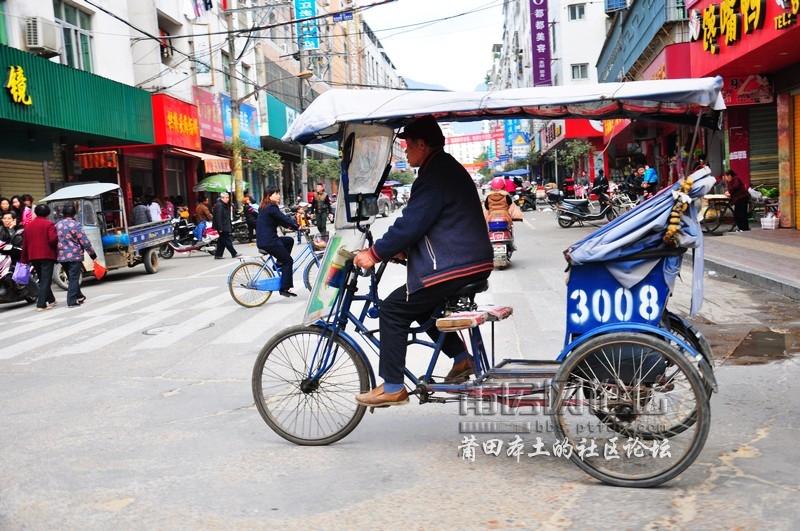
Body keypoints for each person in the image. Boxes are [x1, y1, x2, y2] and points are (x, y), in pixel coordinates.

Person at [352, 115, 493, 407]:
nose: (405, 151)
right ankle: (461, 357)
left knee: (393, 308)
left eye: (407, 146)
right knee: (419, 302)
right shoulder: (440, 169)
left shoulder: (435, 173)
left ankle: (392, 386)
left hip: (457, 264)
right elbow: (435, 224)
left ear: (422, 144)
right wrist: (400, 251)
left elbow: (410, 224)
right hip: (466, 259)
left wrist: (374, 253)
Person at [256, 188, 299, 297]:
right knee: (288, 261)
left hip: (265, 240)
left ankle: (279, 263)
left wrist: (291, 226)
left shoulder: (264, 207)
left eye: (279, 193)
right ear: (269, 196)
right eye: (276, 194)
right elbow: (283, 218)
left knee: (289, 240)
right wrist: (297, 226)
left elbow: (281, 221)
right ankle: (284, 288)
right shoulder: (271, 207)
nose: (279, 195)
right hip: (269, 241)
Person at [56, 205, 97, 307]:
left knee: (71, 277)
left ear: (63, 214)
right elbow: (84, 241)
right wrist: (93, 255)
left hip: (61, 256)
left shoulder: (57, 225)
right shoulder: (76, 225)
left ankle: (79, 296)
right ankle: (71, 301)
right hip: (74, 255)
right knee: (74, 278)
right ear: (74, 214)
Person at [20, 204, 58, 311]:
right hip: (47, 255)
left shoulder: (29, 226)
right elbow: (52, 240)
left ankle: (51, 300)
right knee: (46, 280)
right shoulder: (49, 224)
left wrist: (24, 259)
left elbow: (25, 244)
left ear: (35, 213)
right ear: (48, 213)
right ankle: (41, 303)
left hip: (33, 256)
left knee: (43, 278)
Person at [212, 192, 238, 259]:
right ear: (221, 198)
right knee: (227, 240)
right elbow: (218, 217)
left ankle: (218, 255)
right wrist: (220, 228)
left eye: (228, 198)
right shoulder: (220, 205)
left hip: (225, 225)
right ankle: (234, 253)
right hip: (222, 226)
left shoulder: (224, 204)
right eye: (225, 198)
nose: (227, 199)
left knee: (221, 241)